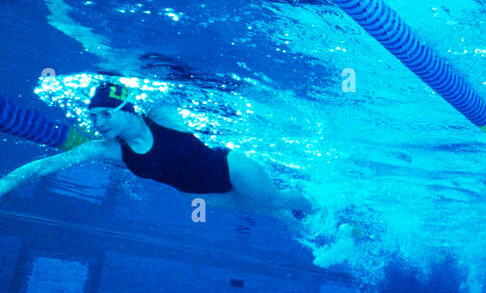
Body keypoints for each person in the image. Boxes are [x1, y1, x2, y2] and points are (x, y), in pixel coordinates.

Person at [0, 82, 314, 227]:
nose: (97, 123)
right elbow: (47, 164)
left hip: (232, 168)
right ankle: (326, 229)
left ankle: (322, 204)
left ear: (127, 109)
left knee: (274, 199)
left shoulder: (162, 115)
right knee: (273, 214)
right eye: (93, 117)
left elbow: (191, 90)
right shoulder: (106, 150)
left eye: (105, 114)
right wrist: (5, 184)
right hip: (204, 195)